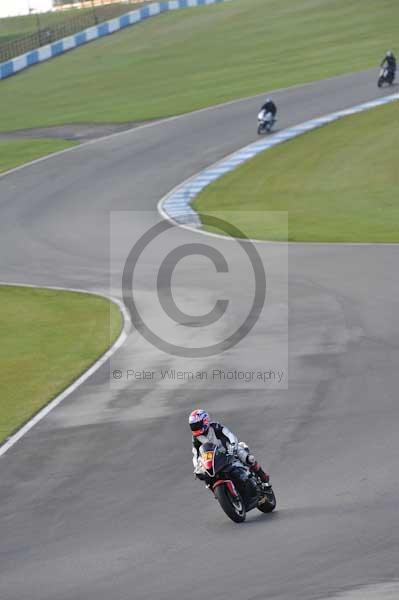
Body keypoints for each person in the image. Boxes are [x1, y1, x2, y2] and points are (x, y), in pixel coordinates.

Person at [189, 409, 270, 487]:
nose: (195, 428)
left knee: (248, 458)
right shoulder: (196, 438)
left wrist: (233, 446)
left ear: (205, 421)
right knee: (207, 479)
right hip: (214, 460)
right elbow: (195, 454)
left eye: (197, 425)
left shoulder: (215, 427)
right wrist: (197, 467)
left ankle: (262, 476)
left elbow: (229, 435)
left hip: (228, 451)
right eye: (193, 426)